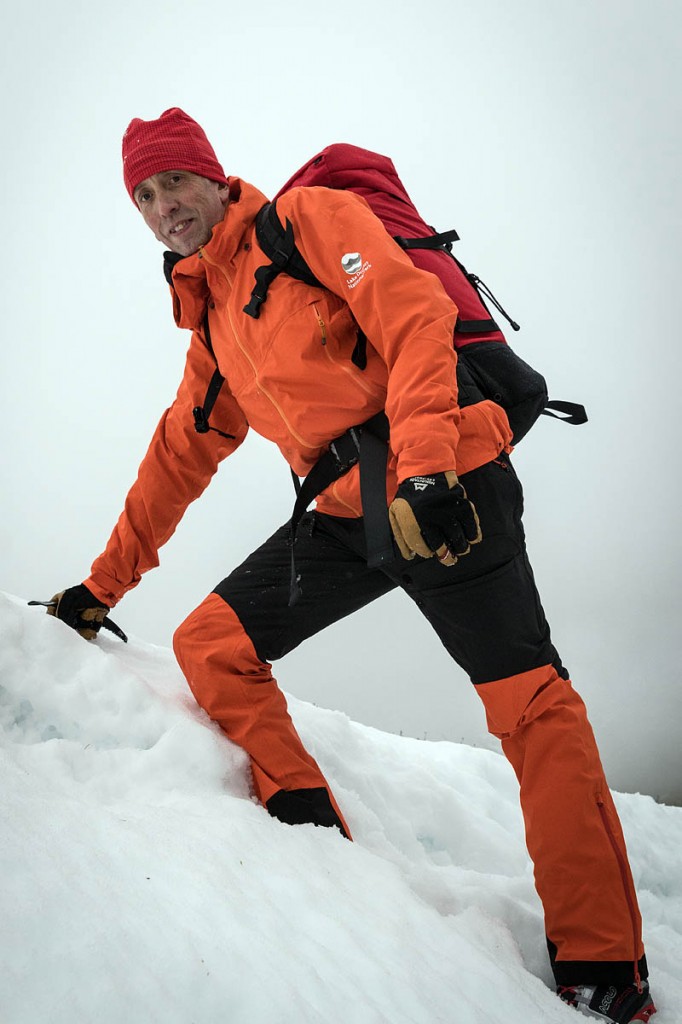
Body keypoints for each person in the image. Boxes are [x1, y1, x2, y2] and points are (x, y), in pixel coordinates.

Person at [47, 108, 655, 1023]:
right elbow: (176, 459)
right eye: (143, 195)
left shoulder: (308, 223)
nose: (163, 205)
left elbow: (413, 318)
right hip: (344, 514)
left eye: (174, 181)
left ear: (214, 177)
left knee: (529, 704)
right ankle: (308, 829)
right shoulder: (213, 328)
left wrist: (428, 468)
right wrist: (101, 587)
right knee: (211, 643)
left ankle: (604, 961)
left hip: (446, 480)